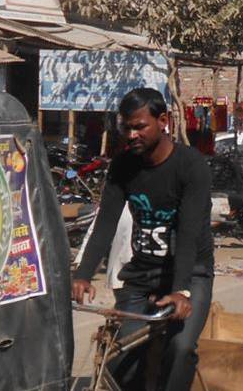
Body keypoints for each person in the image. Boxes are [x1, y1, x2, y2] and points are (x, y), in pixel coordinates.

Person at [73, 88, 213, 391]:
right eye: (127, 127)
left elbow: (188, 234)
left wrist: (181, 292)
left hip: (191, 274)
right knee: (122, 354)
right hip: (143, 272)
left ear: (163, 121)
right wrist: (83, 274)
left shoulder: (191, 166)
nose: (132, 134)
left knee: (180, 349)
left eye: (140, 126)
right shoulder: (123, 165)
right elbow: (105, 225)